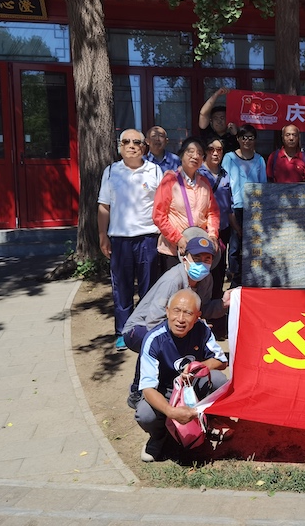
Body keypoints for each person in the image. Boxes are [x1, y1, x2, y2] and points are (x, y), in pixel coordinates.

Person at [123, 233, 229, 409]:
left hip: (170, 325)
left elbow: (203, 309)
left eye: (207, 259)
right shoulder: (173, 280)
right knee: (152, 341)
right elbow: (153, 320)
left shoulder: (207, 279)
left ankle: (177, 384)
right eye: (196, 258)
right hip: (139, 328)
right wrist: (187, 326)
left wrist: (223, 304)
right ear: (185, 258)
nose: (201, 263)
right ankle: (137, 390)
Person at [134, 290, 229, 462]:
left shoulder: (202, 330)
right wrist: (171, 411)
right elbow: (148, 389)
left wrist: (197, 367)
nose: (180, 319)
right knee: (145, 414)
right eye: (176, 311)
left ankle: (209, 422)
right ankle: (159, 436)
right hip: (164, 390)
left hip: (192, 385)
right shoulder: (153, 339)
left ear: (198, 316)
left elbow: (221, 361)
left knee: (219, 381)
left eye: (188, 313)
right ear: (167, 311)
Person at [98, 129, 163, 350]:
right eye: (126, 141)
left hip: (148, 238)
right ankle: (123, 332)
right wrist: (102, 235)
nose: (131, 146)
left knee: (149, 287)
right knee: (122, 287)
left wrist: (162, 234)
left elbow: (162, 205)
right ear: (120, 146)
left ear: (144, 147)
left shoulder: (155, 170)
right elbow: (104, 206)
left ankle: (145, 330)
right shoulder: (110, 172)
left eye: (136, 142)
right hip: (120, 239)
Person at [153, 137, 220, 274]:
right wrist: (177, 239)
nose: (195, 156)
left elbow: (212, 212)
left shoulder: (204, 182)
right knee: (175, 285)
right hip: (173, 250)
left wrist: (213, 235)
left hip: (198, 249)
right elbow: (159, 215)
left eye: (200, 153)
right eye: (190, 151)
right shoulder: (170, 180)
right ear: (181, 155)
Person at [198, 137, 240, 318]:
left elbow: (229, 207)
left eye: (219, 150)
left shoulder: (225, 174)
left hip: (221, 232)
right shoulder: (198, 174)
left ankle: (215, 315)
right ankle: (199, 313)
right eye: (211, 149)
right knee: (201, 275)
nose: (215, 153)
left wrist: (238, 230)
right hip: (202, 233)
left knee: (218, 274)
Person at [222, 124, 267, 285]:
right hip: (235, 206)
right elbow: (224, 183)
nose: (247, 141)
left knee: (253, 243)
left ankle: (251, 277)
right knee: (235, 244)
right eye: (243, 137)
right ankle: (234, 278)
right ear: (238, 139)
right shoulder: (229, 158)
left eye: (250, 138)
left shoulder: (260, 159)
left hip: (253, 207)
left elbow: (263, 186)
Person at [198, 87, 239, 153]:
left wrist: (236, 134)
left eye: (222, 118)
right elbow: (203, 114)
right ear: (211, 121)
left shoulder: (233, 137)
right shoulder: (207, 134)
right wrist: (216, 94)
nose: (219, 121)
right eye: (216, 118)